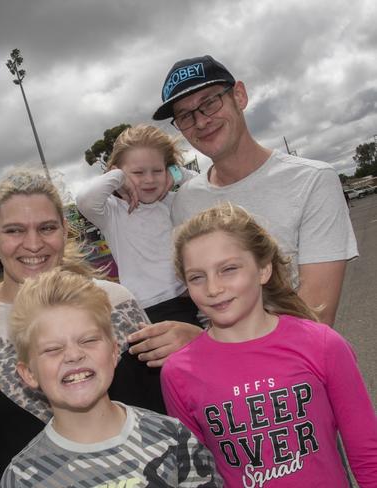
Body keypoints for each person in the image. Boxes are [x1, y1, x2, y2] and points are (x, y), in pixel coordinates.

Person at [0, 168, 190, 488]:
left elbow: (164, 400)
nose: (33, 244)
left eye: (46, 228)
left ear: (64, 230)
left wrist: (196, 346)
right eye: (15, 230)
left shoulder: (115, 302)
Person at [161, 203, 377, 487]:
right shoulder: (178, 372)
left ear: (263, 270)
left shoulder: (322, 344)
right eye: (197, 277)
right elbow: (199, 476)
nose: (213, 288)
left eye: (228, 269)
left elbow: (367, 453)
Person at [152, 55, 357, 325]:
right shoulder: (185, 202)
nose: (201, 122)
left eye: (210, 103)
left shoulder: (312, 180)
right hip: (214, 366)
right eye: (185, 116)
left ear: (239, 96)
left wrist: (200, 345)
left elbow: (315, 320)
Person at [0, 268, 222, 487]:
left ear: (115, 352)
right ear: (28, 374)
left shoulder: (175, 439)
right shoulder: (22, 478)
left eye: (88, 340)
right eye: (53, 349)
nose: (74, 355)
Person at [76, 124, 200, 324]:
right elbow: (84, 199)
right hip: (146, 309)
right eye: (138, 173)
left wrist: (176, 174)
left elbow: (203, 187)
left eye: (157, 170)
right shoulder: (112, 211)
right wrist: (117, 177)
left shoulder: (174, 199)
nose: (149, 180)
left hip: (191, 295)